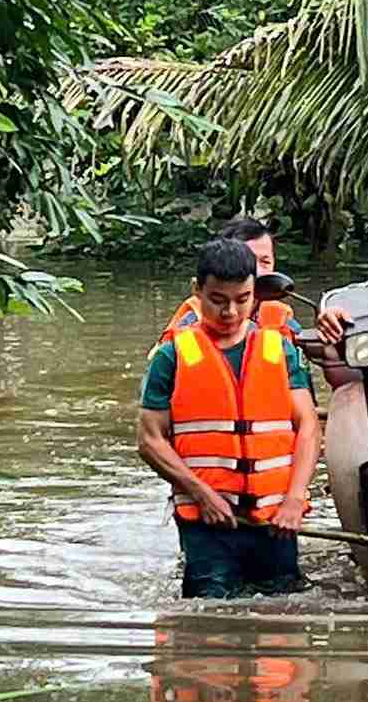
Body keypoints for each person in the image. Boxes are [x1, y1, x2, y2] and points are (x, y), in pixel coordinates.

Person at [137, 238, 320, 598]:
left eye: (243, 299)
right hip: (207, 526)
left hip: (275, 521)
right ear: (197, 292)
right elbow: (149, 440)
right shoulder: (172, 356)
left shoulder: (279, 349)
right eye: (218, 301)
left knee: (284, 628)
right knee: (210, 634)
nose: (231, 312)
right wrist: (201, 493)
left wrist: (295, 499)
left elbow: (309, 427)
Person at [156, 217, 301, 350]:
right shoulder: (193, 318)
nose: (257, 271)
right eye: (248, 259)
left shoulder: (279, 315)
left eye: (265, 262)